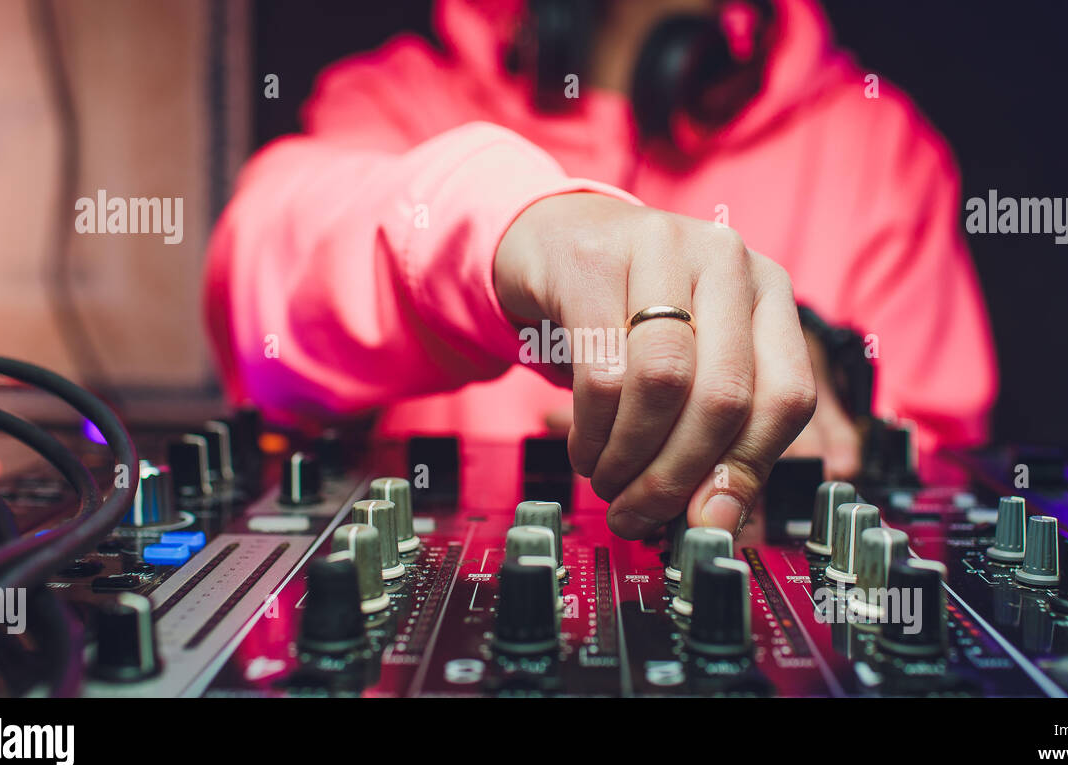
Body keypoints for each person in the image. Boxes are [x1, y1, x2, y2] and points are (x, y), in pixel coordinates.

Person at [203, 0, 997, 540]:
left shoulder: (877, 143)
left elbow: (937, 477)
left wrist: (836, 409)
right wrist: (512, 223)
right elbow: (259, 297)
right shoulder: (395, 97)